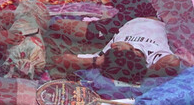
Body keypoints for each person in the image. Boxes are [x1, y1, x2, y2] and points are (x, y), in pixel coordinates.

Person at [52, 16, 181, 84]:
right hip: (150, 14)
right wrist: (141, 72)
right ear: (135, 53)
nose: (113, 45)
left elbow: (60, 61)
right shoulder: (154, 56)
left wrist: (98, 61)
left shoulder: (107, 59)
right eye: (117, 47)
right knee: (56, 25)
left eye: (114, 48)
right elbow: (173, 62)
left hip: (122, 21)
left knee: (58, 25)